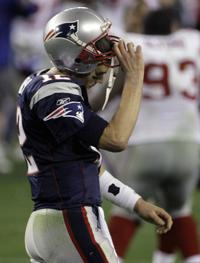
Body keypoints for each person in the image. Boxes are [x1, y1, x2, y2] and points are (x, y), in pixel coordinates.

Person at [16, 7, 173, 263]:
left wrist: (137, 204)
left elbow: (89, 166)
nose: (107, 51)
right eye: (99, 44)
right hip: (70, 220)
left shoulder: (45, 83)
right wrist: (134, 79)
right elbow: (117, 138)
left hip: (52, 223)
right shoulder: (57, 93)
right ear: (76, 52)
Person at [100, 7, 200, 263]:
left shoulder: (134, 43)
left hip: (143, 144)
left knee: (127, 212)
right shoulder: (192, 40)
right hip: (188, 143)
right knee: (178, 210)